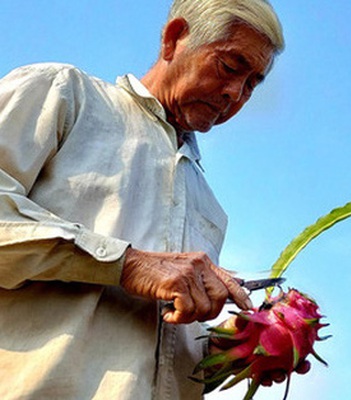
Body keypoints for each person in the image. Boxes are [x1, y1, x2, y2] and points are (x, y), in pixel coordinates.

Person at [0, 0, 285, 398]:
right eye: (230, 66)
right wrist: (129, 264)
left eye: (252, 83)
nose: (234, 93)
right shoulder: (66, 95)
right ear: (174, 39)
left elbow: (163, 352)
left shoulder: (209, 206)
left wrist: (229, 353)